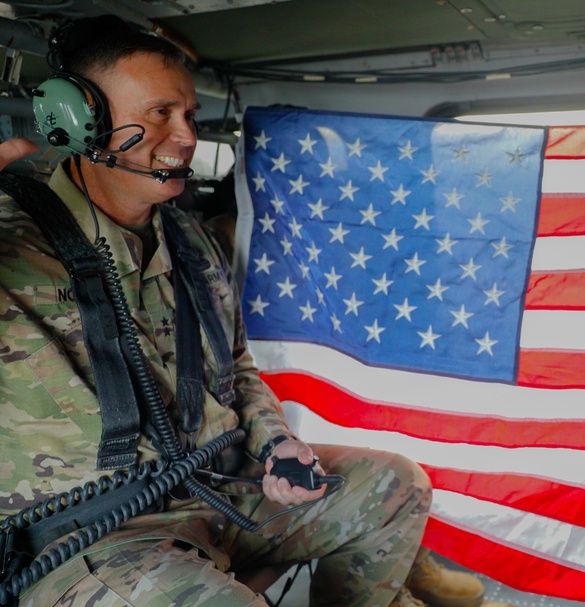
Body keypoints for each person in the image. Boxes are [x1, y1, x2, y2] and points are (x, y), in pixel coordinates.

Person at [0, 15, 487, 607]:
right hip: (94, 538)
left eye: (190, 117)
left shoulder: (190, 239)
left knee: (394, 485)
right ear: (80, 121)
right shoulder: (10, 239)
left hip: (216, 491)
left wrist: (275, 444)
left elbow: (236, 364)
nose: (185, 137)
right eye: (160, 114)